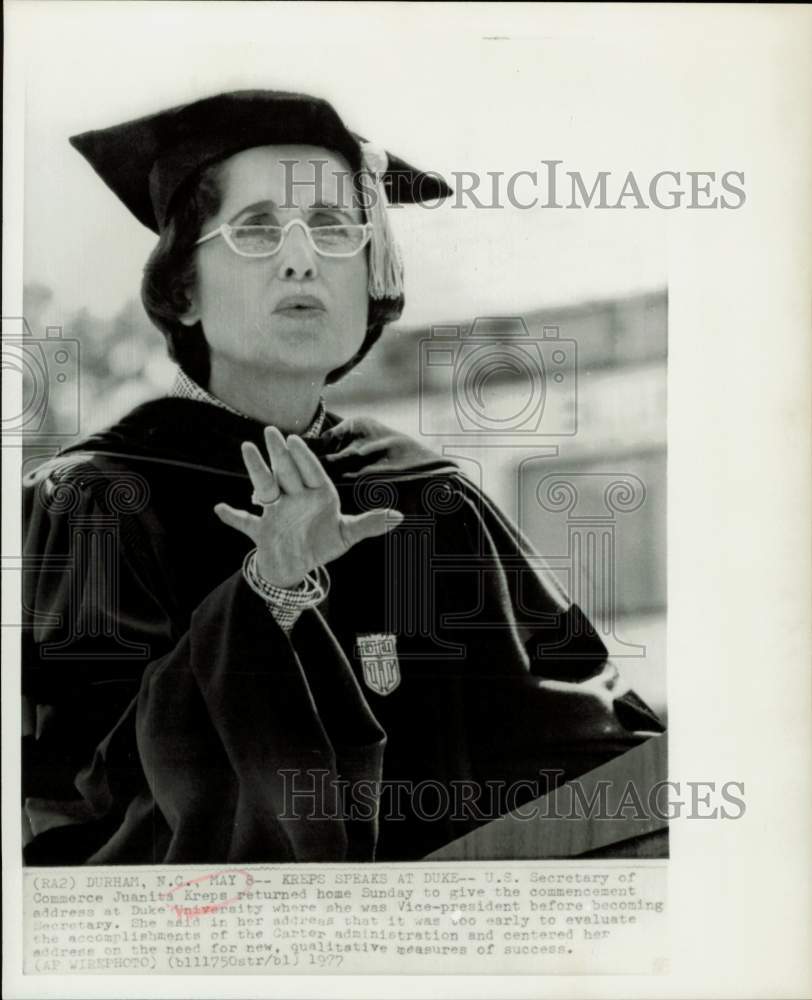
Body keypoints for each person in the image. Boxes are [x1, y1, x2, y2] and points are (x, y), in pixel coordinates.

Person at [21, 90, 663, 866]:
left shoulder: (428, 497)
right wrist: (267, 598)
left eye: (334, 229)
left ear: (371, 276)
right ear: (183, 289)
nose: (303, 258)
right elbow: (85, 798)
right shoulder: (100, 499)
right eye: (258, 230)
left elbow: (582, 749)